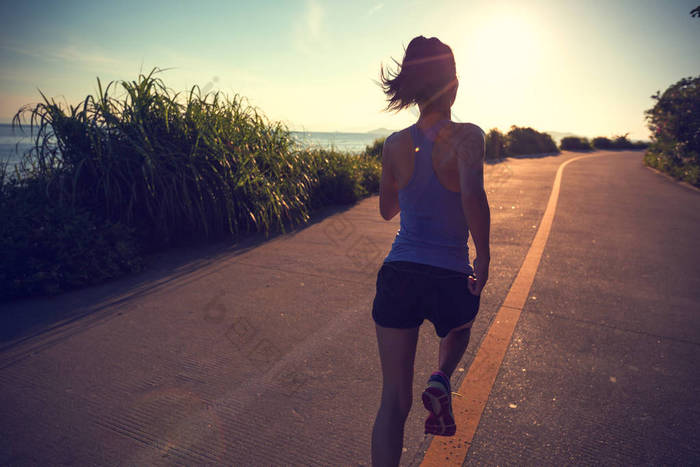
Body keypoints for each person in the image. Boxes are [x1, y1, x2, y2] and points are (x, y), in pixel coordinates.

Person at [370, 36, 491, 466]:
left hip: (399, 275)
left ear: (412, 91)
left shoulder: (393, 145)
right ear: (454, 87)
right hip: (448, 276)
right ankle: (440, 377)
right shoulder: (469, 138)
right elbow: (472, 198)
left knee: (393, 403)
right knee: (460, 325)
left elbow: (388, 210)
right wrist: (485, 256)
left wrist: (410, 181)